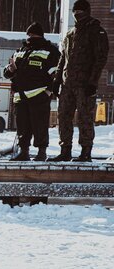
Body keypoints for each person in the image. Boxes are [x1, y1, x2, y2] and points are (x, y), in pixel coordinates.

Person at [49, 0, 109, 162]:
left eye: (80, 11)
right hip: (67, 83)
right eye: (75, 11)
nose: (77, 14)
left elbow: (100, 59)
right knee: (64, 116)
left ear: (87, 12)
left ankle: (86, 151)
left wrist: (93, 82)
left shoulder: (97, 32)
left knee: (85, 117)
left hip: (85, 84)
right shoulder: (70, 33)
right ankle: (65, 150)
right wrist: (56, 80)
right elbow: (63, 58)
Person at [4, 22, 60, 161]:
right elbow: (7, 72)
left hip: (39, 94)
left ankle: (41, 152)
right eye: (29, 35)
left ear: (40, 35)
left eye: (33, 35)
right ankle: (24, 152)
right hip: (20, 95)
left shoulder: (50, 51)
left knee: (40, 125)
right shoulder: (20, 50)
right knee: (22, 126)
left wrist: (49, 91)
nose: (30, 37)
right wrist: (10, 70)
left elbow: (57, 75)